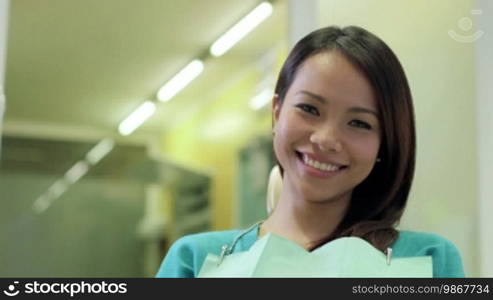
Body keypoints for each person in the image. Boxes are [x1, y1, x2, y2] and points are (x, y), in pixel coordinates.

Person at [155, 25, 464, 278]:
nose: (327, 139)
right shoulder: (195, 260)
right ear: (276, 111)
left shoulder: (429, 261)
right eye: (309, 108)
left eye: (359, 122)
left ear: (385, 142)